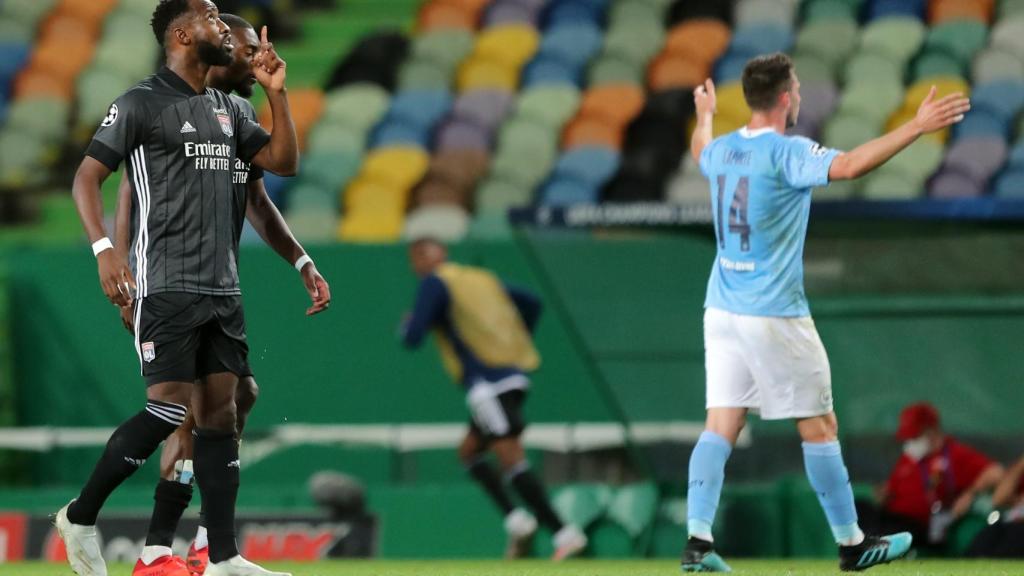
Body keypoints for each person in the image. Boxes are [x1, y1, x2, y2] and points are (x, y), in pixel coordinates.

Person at [58, 1, 326, 575]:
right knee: (166, 411)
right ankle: (82, 517)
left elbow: (282, 165)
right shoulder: (140, 102)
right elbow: (88, 177)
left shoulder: (232, 108)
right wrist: (107, 251)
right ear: (182, 33)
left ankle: (222, 556)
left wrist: (278, 94)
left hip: (222, 289)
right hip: (165, 282)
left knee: (222, 416)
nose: (223, 27)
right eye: (211, 17)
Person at [681, 52, 971, 573]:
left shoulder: (723, 149)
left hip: (720, 309)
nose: (800, 96)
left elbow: (701, 150)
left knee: (721, 424)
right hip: (774, 312)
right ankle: (852, 544)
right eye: (797, 88)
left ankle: (698, 542)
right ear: (784, 97)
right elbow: (851, 165)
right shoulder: (786, 152)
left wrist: (704, 116)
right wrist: (917, 126)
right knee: (819, 426)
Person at [399, 237, 587, 560]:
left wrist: (407, 325)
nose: (418, 264)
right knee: (469, 452)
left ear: (423, 259)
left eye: (418, 257)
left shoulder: (434, 283)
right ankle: (518, 523)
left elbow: (413, 337)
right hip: (512, 375)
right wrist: (513, 340)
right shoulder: (479, 279)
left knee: (510, 457)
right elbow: (532, 301)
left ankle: (565, 534)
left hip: (487, 384)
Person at [868, 402, 1004, 548]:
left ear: (931, 432)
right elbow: (891, 489)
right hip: (890, 516)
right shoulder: (909, 458)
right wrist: (883, 495)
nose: (909, 443)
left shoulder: (954, 454)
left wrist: (971, 493)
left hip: (920, 525)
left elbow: (996, 472)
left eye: (914, 437)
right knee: (863, 509)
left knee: (883, 530)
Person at [967, 453, 1024, 558]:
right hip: (1010, 522)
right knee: (987, 537)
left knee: (1015, 536)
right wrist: (1020, 465)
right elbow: (998, 499)